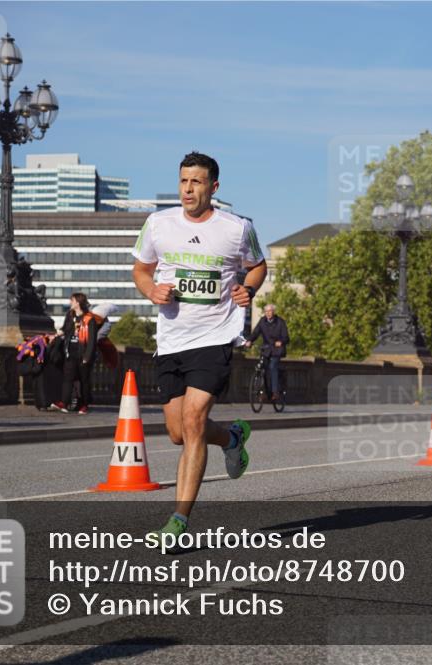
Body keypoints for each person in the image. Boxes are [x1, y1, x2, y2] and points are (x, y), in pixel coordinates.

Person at [133, 151, 267, 540]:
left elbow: (258, 265)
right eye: (183, 181)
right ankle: (232, 437)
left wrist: (249, 288)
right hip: (172, 338)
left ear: (213, 187)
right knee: (177, 432)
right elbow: (141, 270)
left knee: (193, 422)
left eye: (196, 182)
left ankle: (178, 521)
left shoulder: (237, 228)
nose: (188, 189)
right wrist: (151, 290)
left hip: (215, 336)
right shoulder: (158, 224)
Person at [49, 293, 98, 414]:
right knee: (67, 378)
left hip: (83, 353)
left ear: (78, 303)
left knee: (83, 380)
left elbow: (92, 340)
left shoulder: (89, 319)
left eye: (72, 301)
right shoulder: (70, 315)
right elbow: (65, 329)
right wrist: (55, 335)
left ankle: (84, 405)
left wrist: (87, 356)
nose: (70, 303)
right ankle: (64, 403)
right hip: (70, 351)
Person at [244, 304, 289, 401]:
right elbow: (256, 332)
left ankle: (275, 392)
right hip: (266, 349)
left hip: (277, 350)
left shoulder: (280, 322)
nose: (268, 313)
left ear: (274, 312)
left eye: (270, 311)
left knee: (273, 367)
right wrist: (250, 341)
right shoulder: (262, 321)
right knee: (263, 369)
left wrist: (281, 342)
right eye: (266, 311)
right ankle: (264, 392)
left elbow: (286, 337)